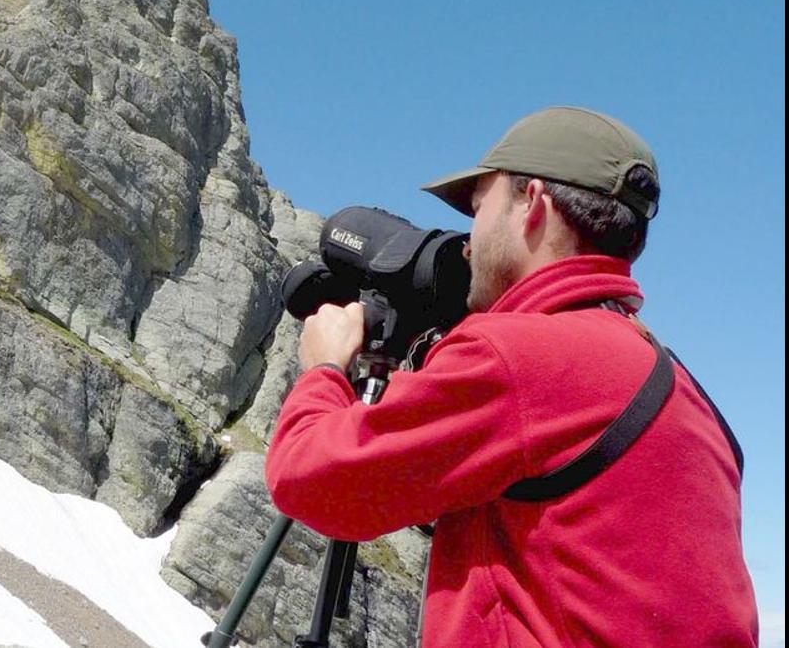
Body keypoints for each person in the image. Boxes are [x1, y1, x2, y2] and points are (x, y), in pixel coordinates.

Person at [264, 106, 758, 647]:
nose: (469, 240)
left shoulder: (519, 357)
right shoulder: (685, 391)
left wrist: (326, 367)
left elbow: (313, 481)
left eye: (479, 207)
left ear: (533, 203)